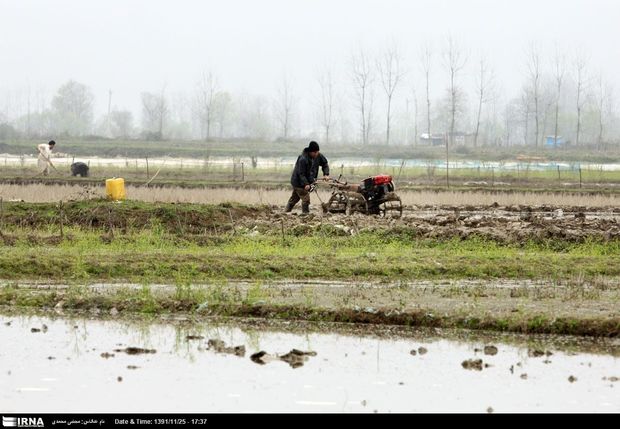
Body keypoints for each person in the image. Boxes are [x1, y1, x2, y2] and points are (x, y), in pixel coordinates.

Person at [285, 141, 329, 214]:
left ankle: (286, 212)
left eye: (317, 152)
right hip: (298, 181)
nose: (316, 154)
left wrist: (326, 174)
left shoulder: (318, 156)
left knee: (295, 198)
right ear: (310, 152)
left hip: (308, 180)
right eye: (315, 152)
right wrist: (306, 184)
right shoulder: (303, 159)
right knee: (306, 198)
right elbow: (301, 174)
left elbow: (325, 164)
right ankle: (306, 215)